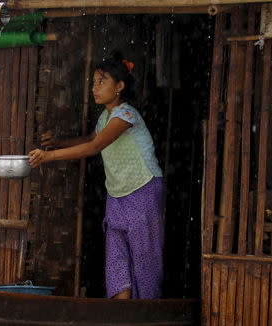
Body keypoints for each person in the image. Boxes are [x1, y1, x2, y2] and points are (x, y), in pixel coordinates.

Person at [28, 54, 164, 299]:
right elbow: (91, 139)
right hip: (117, 194)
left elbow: (94, 147)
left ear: (119, 87)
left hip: (143, 189)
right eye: (93, 82)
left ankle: (146, 312)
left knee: (144, 257)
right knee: (117, 258)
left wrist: (49, 157)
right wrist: (57, 143)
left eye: (102, 81)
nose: (94, 87)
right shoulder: (105, 117)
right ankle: (122, 312)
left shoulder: (126, 115)